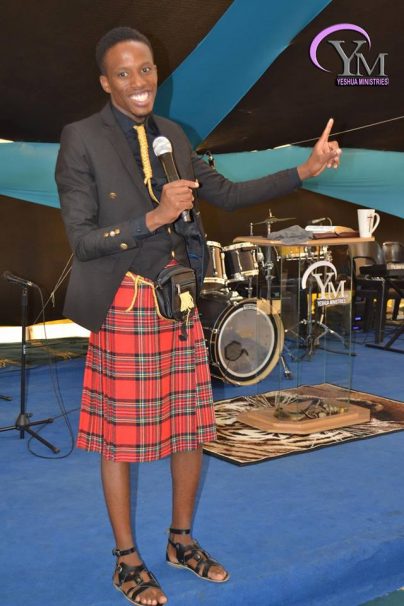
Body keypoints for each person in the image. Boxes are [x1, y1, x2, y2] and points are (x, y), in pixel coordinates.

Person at [55, 26, 341, 606]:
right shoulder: (80, 138)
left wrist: (304, 171)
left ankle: (180, 542)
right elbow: (82, 240)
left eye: (146, 69)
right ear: (106, 82)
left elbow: (227, 194)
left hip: (178, 303)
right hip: (126, 304)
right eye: (124, 73)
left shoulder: (174, 134)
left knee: (189, 428)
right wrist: (154, 217)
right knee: (122, 441)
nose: (139, 82)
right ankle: (126, 561)